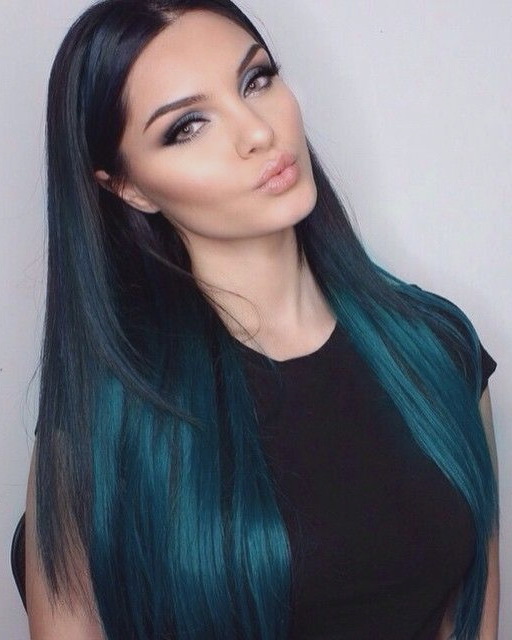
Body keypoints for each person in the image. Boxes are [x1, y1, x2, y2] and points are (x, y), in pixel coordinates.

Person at [24, 1, 499, 638]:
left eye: (256, 80)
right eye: (188, 126)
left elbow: (471, 621)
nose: (256, 131)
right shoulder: (101, 416)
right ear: (126, 186)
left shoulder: (437, 348)